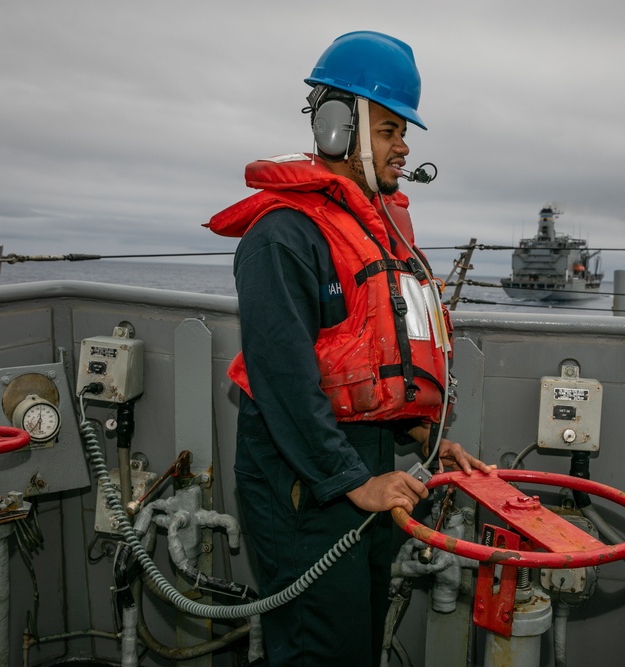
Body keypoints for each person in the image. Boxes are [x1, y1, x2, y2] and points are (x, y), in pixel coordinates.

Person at [206, 31, 491, 666]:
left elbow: (369, 354)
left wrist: (422, 432)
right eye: (389, 130)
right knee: (319, 647)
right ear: (339, 128)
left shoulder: (377, 228)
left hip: (361, 459)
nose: (403, 146)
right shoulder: (283, 236)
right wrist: (349, 481)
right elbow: (284, 382)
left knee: (356, 640)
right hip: (302, 475)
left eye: (402, 131)